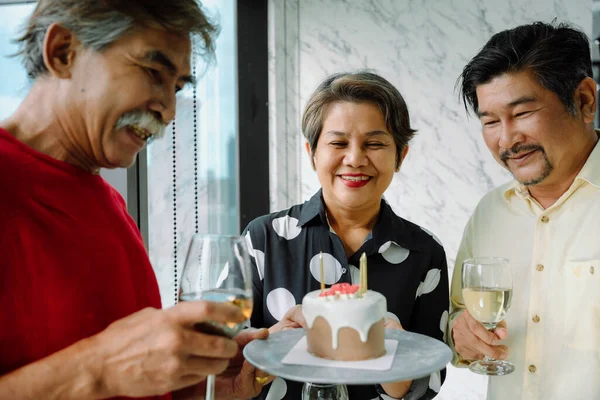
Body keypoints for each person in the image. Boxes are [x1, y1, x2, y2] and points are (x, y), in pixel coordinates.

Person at [0, 1, 272, 399]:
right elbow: (103, 370)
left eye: (177, 87)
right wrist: (99, 369)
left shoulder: (108, 203)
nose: (169, 109)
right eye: (152, 72)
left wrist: (195, 382)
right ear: (63, 51)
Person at [243, 71, 449, 400]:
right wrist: (272, 344)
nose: (354, 159)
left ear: (400, 155)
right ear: (312, 153)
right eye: (338, 143)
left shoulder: (424, 252)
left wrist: (399, 358)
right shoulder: (264, 238)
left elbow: (430, 380)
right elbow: (231, 364)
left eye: (375, 144)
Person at [450, 21, 600, 399]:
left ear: (584, 101)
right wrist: (460, 333)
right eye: (489, 121)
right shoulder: (490, 212)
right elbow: (456, 315)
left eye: (521, 113)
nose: (507, 140)